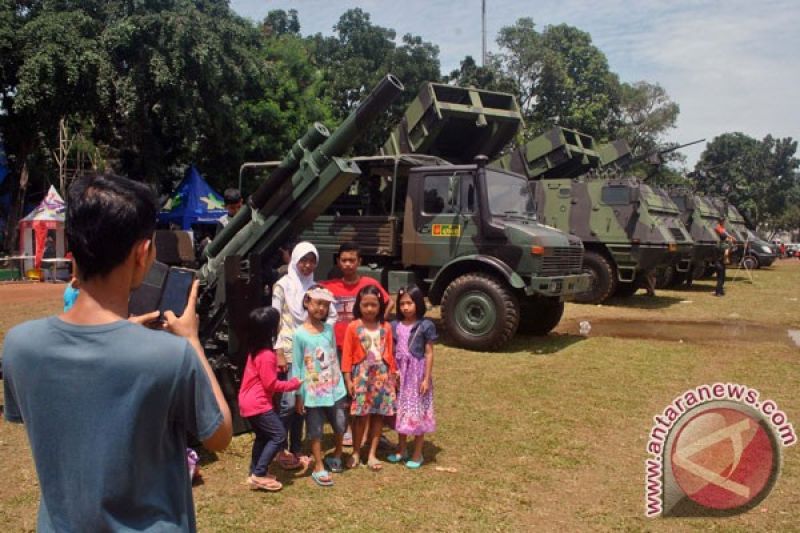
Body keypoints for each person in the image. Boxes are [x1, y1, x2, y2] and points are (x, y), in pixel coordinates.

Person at [2, 173, 232, 531]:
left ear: (72, 251)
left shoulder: (19, 345)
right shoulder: (170, 356)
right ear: (143, 255)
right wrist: (191, 340)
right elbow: (219, 436)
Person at [271, 241, 336, 469]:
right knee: (288, 403)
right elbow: (275, 319)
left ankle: (296, 448)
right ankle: (279, 447)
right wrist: (278, 351)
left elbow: (332, 314)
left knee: (301, 403)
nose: (307, 265)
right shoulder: (282, 286)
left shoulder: (317, 288)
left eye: (312, 261)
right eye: (303, 260)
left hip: (310, 353)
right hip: (288, 350)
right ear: (295, 260)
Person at [320, 242, 393, 445]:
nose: (348, 264)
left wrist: (380, 323)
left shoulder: (369, 283)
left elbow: (389, 301)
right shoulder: (329, 286)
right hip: (338, 349)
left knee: (368, 392)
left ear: (359, 262)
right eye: (344, 260)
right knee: (346, 392)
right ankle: (348, 431)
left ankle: (367, 432)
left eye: (352, 260)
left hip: (365, 352)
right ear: (338, 262)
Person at [238, 307, 302, 492]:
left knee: (263, 436)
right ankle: (259, 473)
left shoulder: (256, 351)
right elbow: (271, 385)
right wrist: (293, 384)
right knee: (278, 435)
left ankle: (254, 472)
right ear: (270, 330)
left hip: (248, 401)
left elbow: (263, 377)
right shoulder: (267, 355)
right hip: (258, 403)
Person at [291, 286, 348, 487]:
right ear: (307, 302)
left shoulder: (329, 330)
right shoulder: (299, 334)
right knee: (315, 429)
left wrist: (341, 382)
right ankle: (318, 464)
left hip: (334, 388)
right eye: (318, 303)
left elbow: (333, 357)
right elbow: (297, 366)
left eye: (326, 305)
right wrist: (298, 395)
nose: (321, 308)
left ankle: (338, 454)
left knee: (340, 423)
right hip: (312, 392)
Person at [342, 285, 397, 471]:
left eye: (374, 305)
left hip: (382, 376)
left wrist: (394, 375)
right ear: (359, 305)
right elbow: (347, 356)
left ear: (380, 306)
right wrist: (348, 379)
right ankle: (356, 452)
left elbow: (390, 353)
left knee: (378, 415)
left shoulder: (386, 327)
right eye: (365, 305)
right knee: (360, 416)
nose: (370, 309)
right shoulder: (353, 327)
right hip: (361, 376)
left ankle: (372, 454)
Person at [387, 285, 437, 469]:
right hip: (401, 374)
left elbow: (429, 353)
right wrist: (393, 372)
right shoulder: (395, 325)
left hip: (416, 375)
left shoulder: (426, 325)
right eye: (402, 304)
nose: (406, 307)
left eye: (410, 303)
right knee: (401, 410)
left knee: (417, 411)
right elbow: (392, 351)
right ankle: (401, 449)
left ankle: (417, 453)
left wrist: (426, 378)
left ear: (418, 303)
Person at [713, 217, 734, 296]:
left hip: (716, 262)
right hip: (721, 263)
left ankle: (719, 291)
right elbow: (726, 252)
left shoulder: (717, 245)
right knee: (721, 279)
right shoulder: (726, 246)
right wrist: (726, 259)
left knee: (719, 278)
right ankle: (719, 292)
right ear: (725, 238)